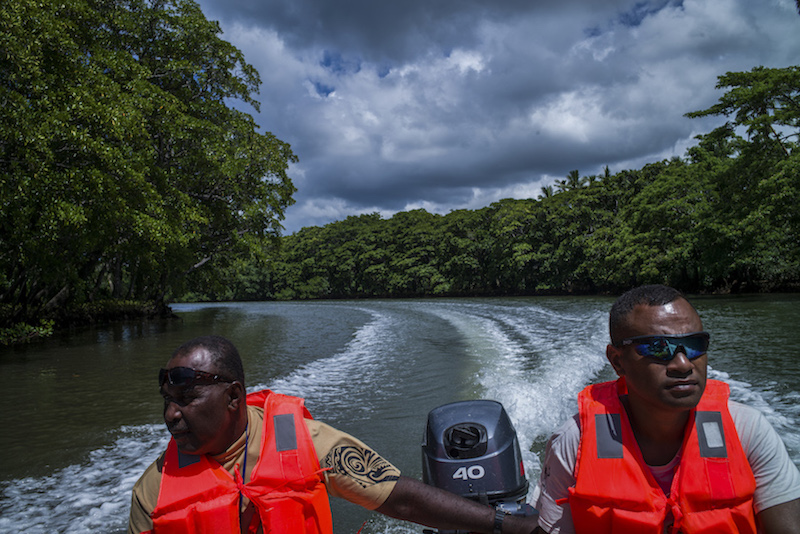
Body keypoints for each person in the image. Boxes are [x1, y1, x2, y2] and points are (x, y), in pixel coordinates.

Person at [129, 335, 538, 534]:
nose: (171, 415)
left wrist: (507, 523)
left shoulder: (307, 444)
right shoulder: (154, 492)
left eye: (186, 399)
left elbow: (404, 500)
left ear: (234, 396)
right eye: (167, 400)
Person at [532, 284, 800, 533]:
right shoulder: (574, 442)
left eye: (695, 345)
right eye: (659, 348)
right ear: (617, 361)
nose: (683, 364)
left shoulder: (748, 430)